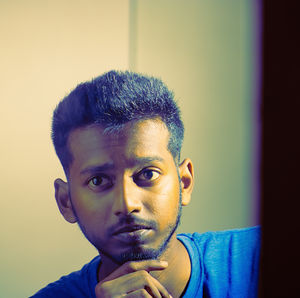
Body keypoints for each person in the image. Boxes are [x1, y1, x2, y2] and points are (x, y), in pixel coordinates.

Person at [31, 70, 260, 297]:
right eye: (98, 180)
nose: (127, 203)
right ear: (66, 201)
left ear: (184, 183)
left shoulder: (267, 257)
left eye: (148, 174)